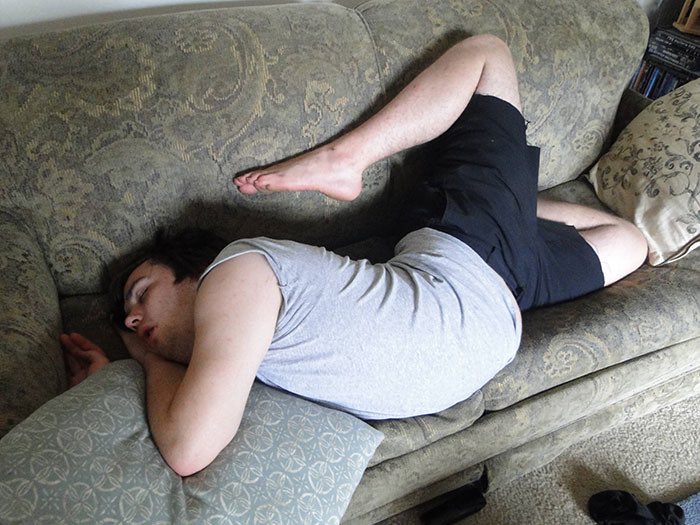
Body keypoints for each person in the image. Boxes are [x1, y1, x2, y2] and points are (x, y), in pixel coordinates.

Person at [60, 35, 648, 477]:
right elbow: (192, 434)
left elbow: (188, 449)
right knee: (633, 242)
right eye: (129, 319)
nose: (133, 319)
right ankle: (511, 205)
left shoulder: (237, 273)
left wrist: (144, 356)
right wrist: (140, 357)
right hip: (501, 292)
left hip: (463, 248)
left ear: (193, 269)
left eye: (142, 292)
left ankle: (348, 158)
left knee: (487, 54)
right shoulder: (234, 351)